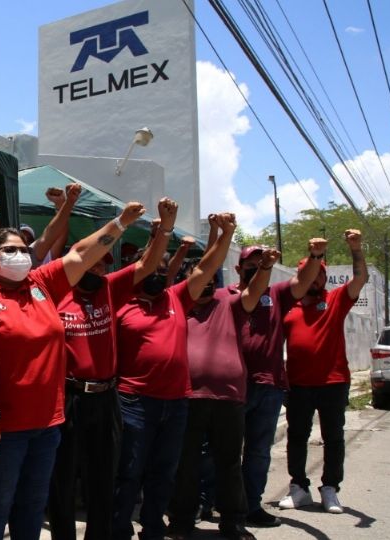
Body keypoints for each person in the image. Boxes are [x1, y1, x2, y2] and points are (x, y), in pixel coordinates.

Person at [0, 185, 146, 540]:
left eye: (23, 250)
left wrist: (121, 223)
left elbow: (82, 253)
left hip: (49, 425)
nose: (20, 256)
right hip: (6, 427)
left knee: (33, 507)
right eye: (10, 251)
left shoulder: (41, 284)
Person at [48, 198, 176, 540]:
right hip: (68, 396)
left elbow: (148, 265)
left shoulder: (109, 289)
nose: (97, 271)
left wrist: (165, 227)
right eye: (91, 265)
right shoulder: (54, 292)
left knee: (103, 477)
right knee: (62, 476)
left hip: (105, 398)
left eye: (103, 266)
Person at [111, 211, 237, 540]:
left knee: (164, 473)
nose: (160, 274)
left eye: (165, 270)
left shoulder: (176, 298)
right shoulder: (120, 302)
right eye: (154, 268)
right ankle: (119, 528)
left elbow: (208, 266)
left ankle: (153, 529)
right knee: (130, 472)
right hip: (134, 401)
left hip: (177, 402)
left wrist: (227, 235)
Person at [167, 246, 282, 540]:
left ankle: (233, 523)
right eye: (197, 280)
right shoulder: (177, 305)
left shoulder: (226, 301)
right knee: (187, 463)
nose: (206, 285)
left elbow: (252, 294)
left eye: (210, 281)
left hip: (229, 398)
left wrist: (265, 268)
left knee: (229, 462)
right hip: (187, 397)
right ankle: (181, 523)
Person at [232, 238, 325, 526]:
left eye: (262, 265)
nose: (256, 270)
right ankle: (215, 502)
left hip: (270, 385)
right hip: (234, 387)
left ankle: (251, 506)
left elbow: (304, 279)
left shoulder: (278, 294)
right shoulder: (226, 295)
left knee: (258, 451)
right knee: (223, 450)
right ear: (239, 268)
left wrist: (315, 254)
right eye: (251, 266)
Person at [279, 229, 367, 514]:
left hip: (333, 381)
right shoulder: (287, 306)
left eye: (319, 274)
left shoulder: (337, 299)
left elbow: (361, 279)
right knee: (297, 437)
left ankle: (330, 488)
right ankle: (299, 488)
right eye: (310, 273)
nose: (316, 278)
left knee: (334, 437)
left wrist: (356, 248)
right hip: (298, 384)